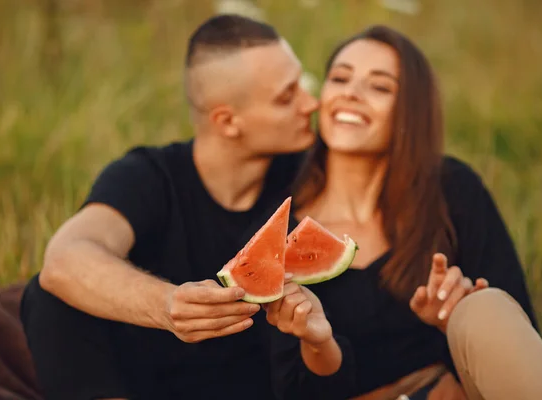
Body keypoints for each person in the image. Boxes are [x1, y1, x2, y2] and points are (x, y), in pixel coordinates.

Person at [264, 25, 542, 400]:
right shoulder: (276, 218)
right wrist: (316, 341)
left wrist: (451, 320)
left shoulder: (453, 190)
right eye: (340, 78)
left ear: (410, 110)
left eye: (379, 86)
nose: (351, 93)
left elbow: (521, 338)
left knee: (485, 306)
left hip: (446, 391)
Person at [19, 14, 318, 400]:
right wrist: (167, 304)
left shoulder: (312, 172)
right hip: (146, 378)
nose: (311, 102)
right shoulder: (148, 175)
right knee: (48, 297)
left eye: (303, 83)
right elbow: (65, 259)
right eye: (286, 96)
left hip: (254, 380)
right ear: (227, 121)